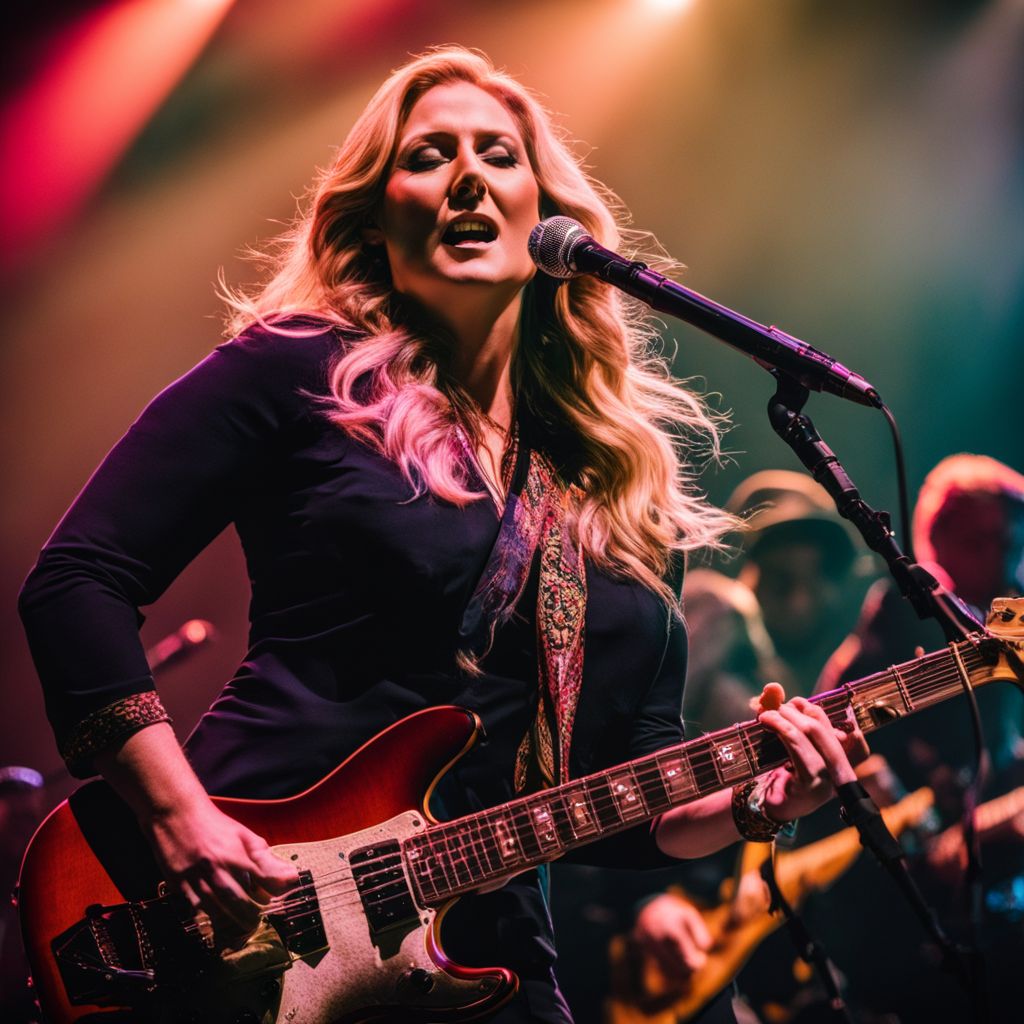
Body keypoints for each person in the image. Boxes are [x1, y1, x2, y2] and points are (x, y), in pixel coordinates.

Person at [17, 47, 862, 1024]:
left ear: (546, 213)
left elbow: (608, 803)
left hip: (485, 952)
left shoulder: (611, 490)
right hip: (241, 917)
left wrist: (753, 798)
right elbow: (77, 578)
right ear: (373, 217)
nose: (466, 175)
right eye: (428, 156)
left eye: (497, 154)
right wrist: (178, 816)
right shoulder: (299, 369)